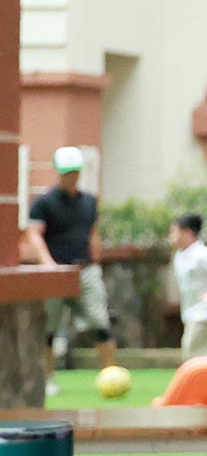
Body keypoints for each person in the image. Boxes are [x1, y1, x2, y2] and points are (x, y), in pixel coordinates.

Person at [27, 146, 119, 376]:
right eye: (67, 172)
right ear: (59, 173)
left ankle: (111, 373)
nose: (71, 177)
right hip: (56, 271)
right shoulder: (44, 202)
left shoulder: (88, 201)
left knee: (100, 322)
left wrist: (96, 261)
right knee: (49, 327)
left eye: (75, 172)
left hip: (85, 270)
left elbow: (92, 233)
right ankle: (46, 378)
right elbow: (34, 234)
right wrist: (48, 264)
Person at [168, 213, 207, 360]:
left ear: (187, 232)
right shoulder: (179, 255)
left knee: (193, 351)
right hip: (190, 312)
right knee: (196, 354)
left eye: (174, 232)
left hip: (206, 313)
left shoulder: (203, 255)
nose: (170, 236)